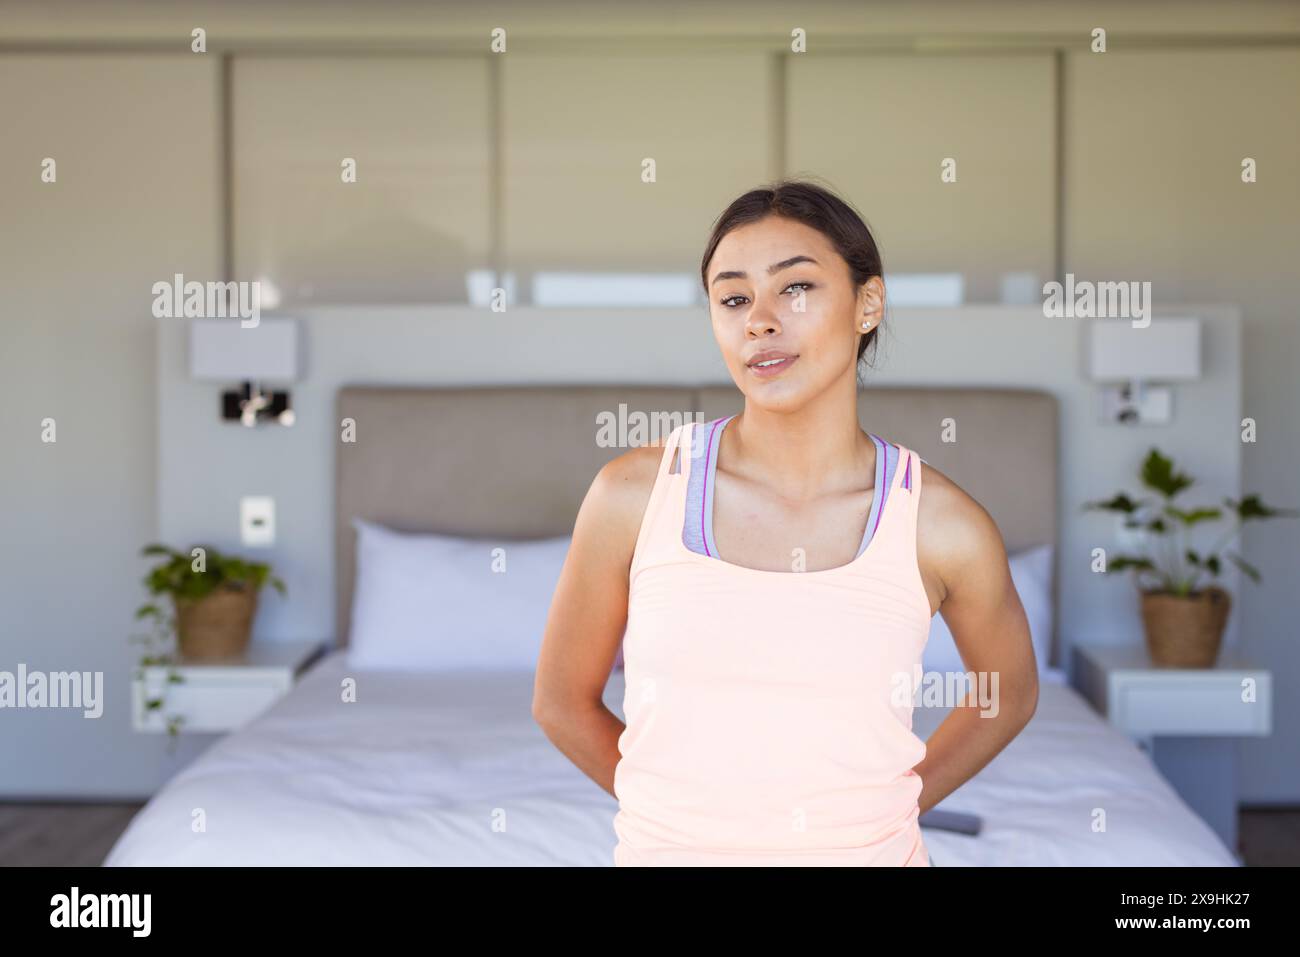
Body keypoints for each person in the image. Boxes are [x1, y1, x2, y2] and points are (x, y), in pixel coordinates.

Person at [533, 178, 1039, 866]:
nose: (760, 320)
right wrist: (683, 824)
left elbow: (1005, 694)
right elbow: (562, 701)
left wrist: (885, 808)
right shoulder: (632, 495)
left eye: (795, 288)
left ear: (868, 304)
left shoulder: (942, 525)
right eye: (734, 298)